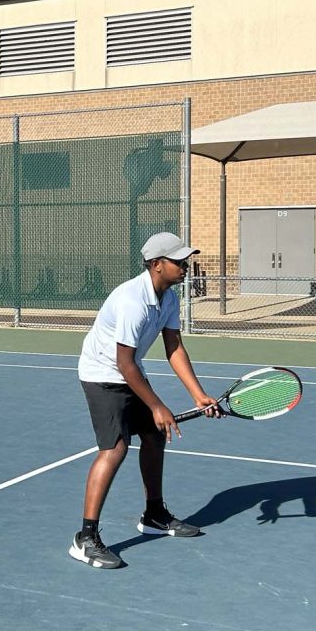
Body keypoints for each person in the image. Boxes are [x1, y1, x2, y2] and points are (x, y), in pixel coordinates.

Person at [70, 232, 219, 569]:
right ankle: (85, 538)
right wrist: (157, 406)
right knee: (115, 449)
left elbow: (174, 347)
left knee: (153, 435)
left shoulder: (168, 298)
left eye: (186, 261)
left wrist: (198, 396)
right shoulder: (132, 302)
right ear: (156, 265)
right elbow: (122, 363)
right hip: (101, 375)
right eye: (179, 262)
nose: (185, 267)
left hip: (128, 371)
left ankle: (154, 514)